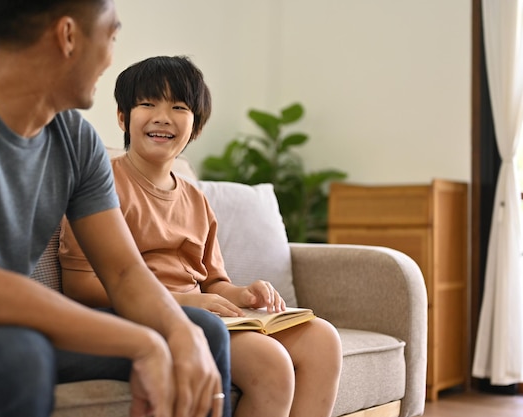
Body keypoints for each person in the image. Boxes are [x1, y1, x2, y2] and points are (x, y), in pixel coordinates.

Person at [0, 3, 232, 417]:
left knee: (201, 331)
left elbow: (124, 272)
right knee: (17, 354)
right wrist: (143, 341)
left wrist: (176, 332)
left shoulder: (76, 140)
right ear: (68, 36)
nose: (111, 57)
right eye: (111, 36)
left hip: (4, 327)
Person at [59, 55, 343, 417]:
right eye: (147, 104)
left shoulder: (195, 199)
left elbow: (212, 282)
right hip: (142, 315)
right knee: (271, 363)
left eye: (178, 106)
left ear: (195, 127)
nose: (162, 116)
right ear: (122, 117)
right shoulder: (102, 186)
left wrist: (242, 294)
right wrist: (183, 303)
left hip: (202, 313)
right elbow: (81, 287)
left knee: (323, 340)